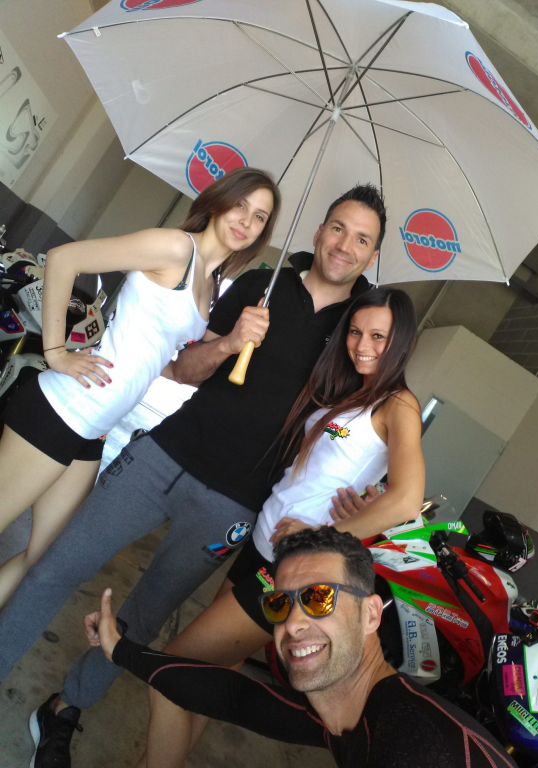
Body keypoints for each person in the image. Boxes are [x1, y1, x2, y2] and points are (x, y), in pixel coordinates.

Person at [0, 184, 385, 765]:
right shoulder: (262, 285)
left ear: (372, 254)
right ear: (318, 230)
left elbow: (362, 419)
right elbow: (182, 369)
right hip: (164, 455)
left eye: (361, 239)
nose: (344, 245)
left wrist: (367, 489)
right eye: (338, 228)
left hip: (235, 503)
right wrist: (231, 342)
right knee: (56, 566)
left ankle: (63, 709)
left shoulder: (358, 331)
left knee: (141, 619)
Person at [137, 286, 425, 767]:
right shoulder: (352, 390)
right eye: (356, 332)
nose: (362, 345)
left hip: (291, 568)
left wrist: (324, 539)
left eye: (378, 336)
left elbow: (407, 499)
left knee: (170, 671)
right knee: (219, 671)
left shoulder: (400, 405)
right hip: (262, 545)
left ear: (403, 343)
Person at [0, 166, 280, 607]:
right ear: (218, 201)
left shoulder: (210, 284)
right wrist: (56, 352)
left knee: (43, 558)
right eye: (240, 205)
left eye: (260, 216)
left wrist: (230, 344)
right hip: (63, 409)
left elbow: (163, 363)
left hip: (93, 430)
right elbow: (64, 258)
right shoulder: (176, 247)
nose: (246, 220)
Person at [84, 528, 518, 768]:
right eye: (280, 604)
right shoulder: (348, 711)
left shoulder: (415, 747)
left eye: (319, 598)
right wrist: (121, 650)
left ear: (371, 614)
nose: (292, 624)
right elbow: (235, 698)